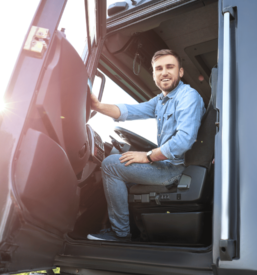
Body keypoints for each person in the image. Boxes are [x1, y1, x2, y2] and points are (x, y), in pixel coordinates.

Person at [87, 49, 205, 242]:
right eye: (158, 69)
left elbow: (184, 139)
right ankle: (134, 229)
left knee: (110, 166)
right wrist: (98, 106)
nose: (164, 72)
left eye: (170, 67)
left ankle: (120, 234)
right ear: (154, 75)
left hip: (176, 169)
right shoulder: (160, 101)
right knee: (123, 167)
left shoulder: (188, 97)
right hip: (168, 165)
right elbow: (129, 111)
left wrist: (148, 156)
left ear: (180, 72)